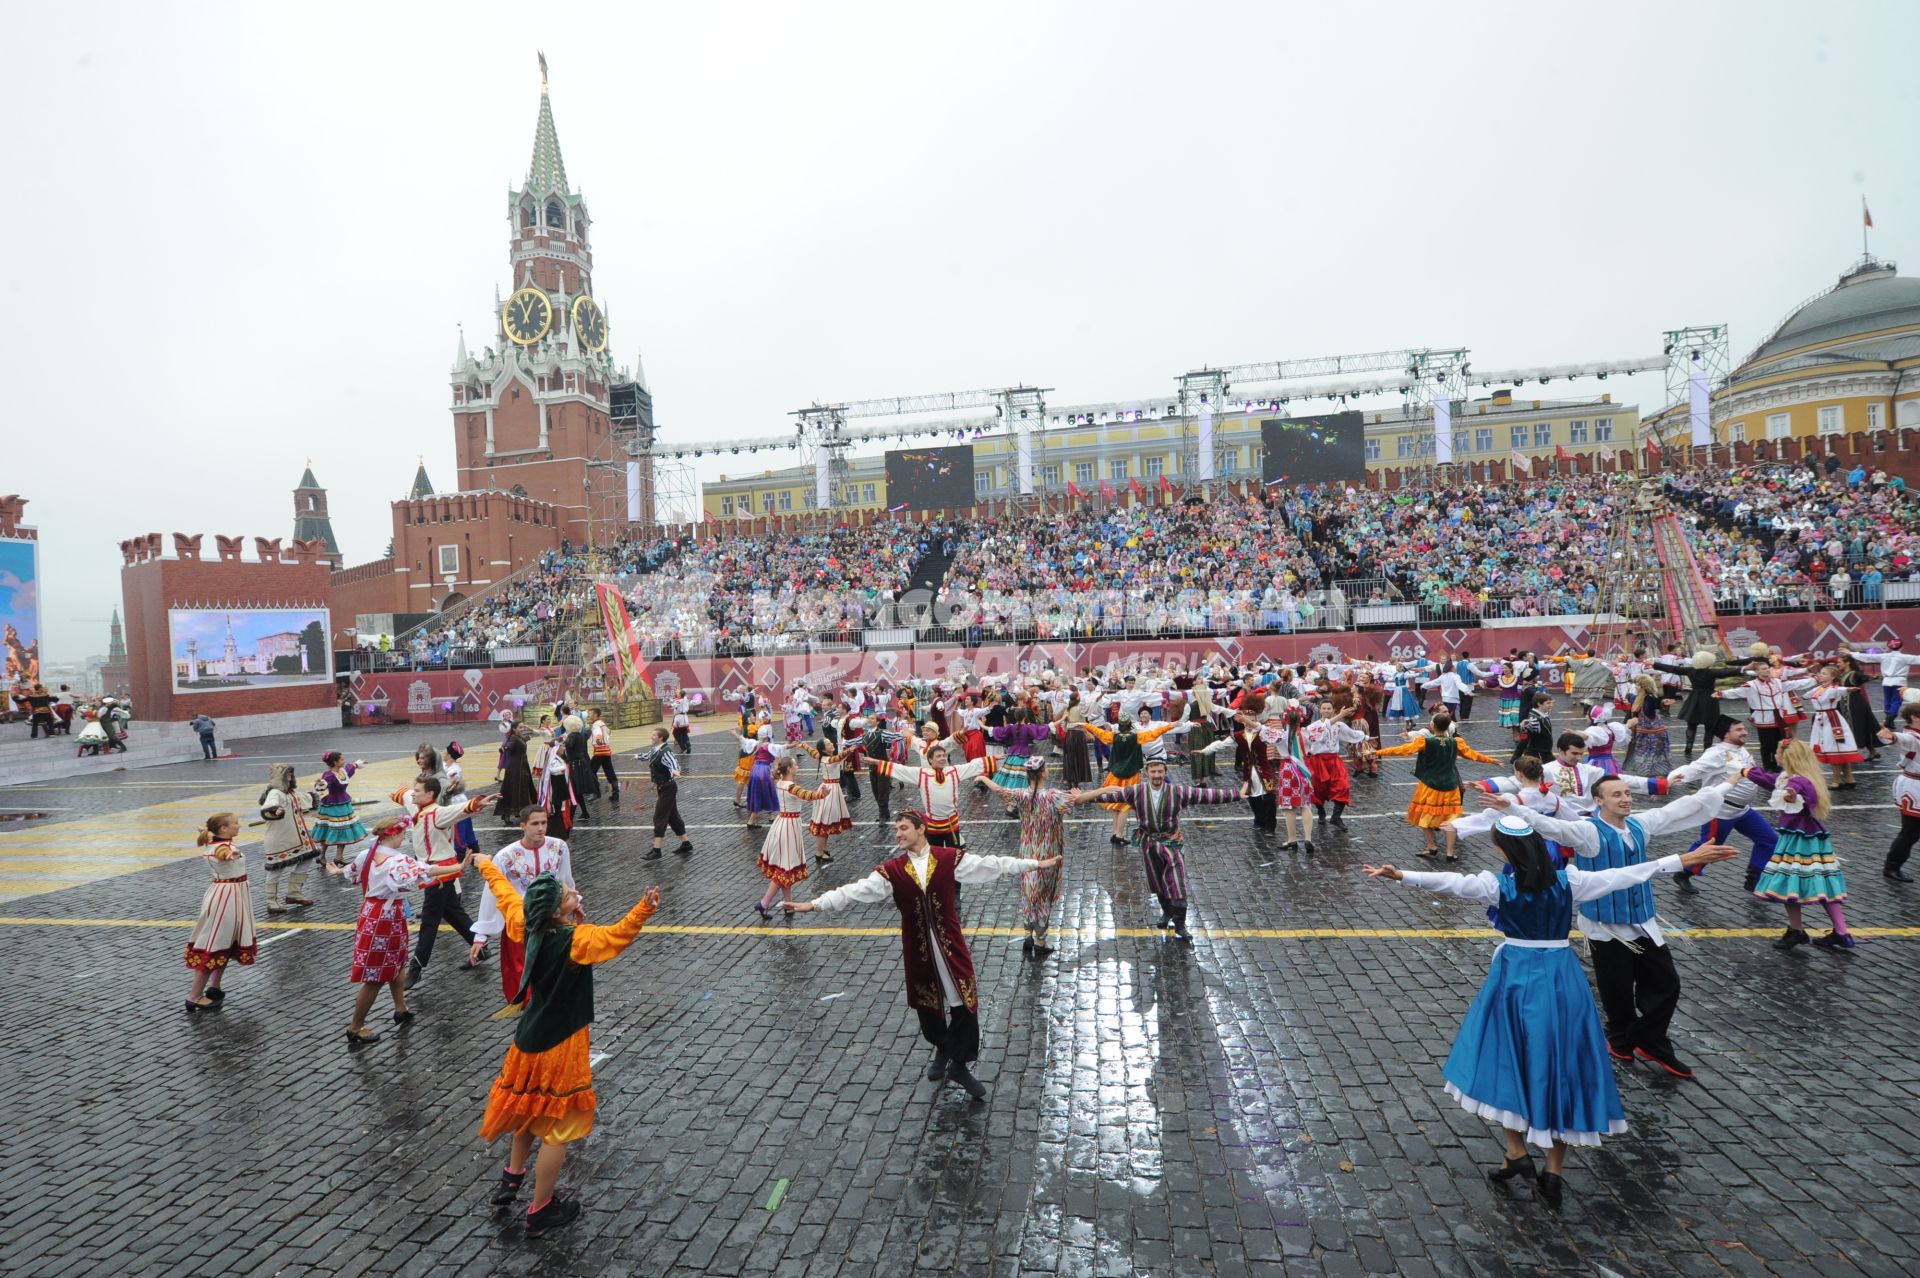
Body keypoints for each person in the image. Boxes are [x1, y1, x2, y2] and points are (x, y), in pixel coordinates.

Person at [1365, 817, 1735, 1204]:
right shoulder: (1570, 882)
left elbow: (1451, 884)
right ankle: (1551, 1173)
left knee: (1505, 1057)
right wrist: (1684, 857)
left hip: (1514, 979)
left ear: (1504, 852)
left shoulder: (1498, 885)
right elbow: (1627, 874)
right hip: (1562, 979)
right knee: (1563, 1065)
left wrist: (1400, 875)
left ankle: (1517, 1153)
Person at [785, 811, 1061, 1100]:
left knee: (964, 1001)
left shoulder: (947, 859)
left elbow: (992, 865)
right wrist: (814, 905)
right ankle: (942, 1047)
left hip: (950, 946)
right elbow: (855, 891)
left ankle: (959, 1064)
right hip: (918, 948)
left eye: (904, 828)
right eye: (896, 830)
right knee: (927, 1005)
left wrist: (1036, 864)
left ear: (921, 829)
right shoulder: (892, 870)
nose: (898, 834)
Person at [1473, 774, 1734, 1078]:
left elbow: (1683, 807)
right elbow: (1552, 827)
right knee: (1617, 990)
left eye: (1626, 793)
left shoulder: (1640, 825)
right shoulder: (1588, 832)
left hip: (1642, 919)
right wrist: (1511, 808)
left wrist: (1730, 782)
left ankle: (1650, 1040)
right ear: (1599, 801)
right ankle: (1621, 1040)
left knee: (1667, 983)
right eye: (1616, 795)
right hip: (1604, 924)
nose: (1625, 799)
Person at [475, 860, 661, 1236]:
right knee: (557, 1129)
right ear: (557, 909)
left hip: (528, 1038)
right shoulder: (575, 940)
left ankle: (512, 1178)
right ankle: (540, 1209)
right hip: (561, 1042)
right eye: (567, 894)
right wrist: (645, 907)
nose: (574, 892)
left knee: (528, 1109)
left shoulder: (526, 924)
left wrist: (486, 866)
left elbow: (507, 896)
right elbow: (616, 936)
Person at [1085, 760, 1245, 943]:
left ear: (1165, 772)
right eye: (1153, 772)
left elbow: (1205, 795)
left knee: (1176, 882)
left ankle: (1180, 924)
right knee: (1157, 880)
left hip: (1172, 843)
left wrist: (1236, 794)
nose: (1157, 775)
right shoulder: (1137, 791)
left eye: (1160, 771)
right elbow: (1107, 797)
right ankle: (1167, 912)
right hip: (1149, 843)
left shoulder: (1177, 791)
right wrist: (1081, 797)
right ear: (1147, 773)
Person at [340, 817, 466, 1047]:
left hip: (372, 911)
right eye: (402, 834)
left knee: (397, 962)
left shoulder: (368, 853)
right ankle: (355, 1027)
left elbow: (351, 874)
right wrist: (458, 867)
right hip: (386, 918)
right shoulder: (397, 860)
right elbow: (426, 869)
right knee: (375, 977)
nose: (404, 838)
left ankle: (401, 1008)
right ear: (393, 835)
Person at [979, 757, 1097, 959]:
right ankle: (1041, 941)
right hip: (1049, 853)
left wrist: (983, 777)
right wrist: (1103, 790)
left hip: (1027, 851)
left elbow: (999, 790)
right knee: (1044, 896)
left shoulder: (1020, 794)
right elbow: (1078, 800)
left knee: (1029, 892)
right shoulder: (1052, 796)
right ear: (1043, 773)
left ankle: (1027, 934)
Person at [386, 775, 496, 990]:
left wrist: (476, 803)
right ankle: (481, 948)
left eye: (419, 790)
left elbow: (461, 809)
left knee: (429, 921)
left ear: (430, 795)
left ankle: (416, 967)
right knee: (455, 914)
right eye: (415, 790)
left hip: (439, 876)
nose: (415, 793)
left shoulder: (438, 813)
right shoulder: (416, 802)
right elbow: (404, 794)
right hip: (434, 874)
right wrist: (397, 794)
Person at [1746, 740, 1853, 951]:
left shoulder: (1798, 782)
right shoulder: (1797, 778)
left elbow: (1795, 794)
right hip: (1812, 838)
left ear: (1786, 756)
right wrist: (1744, 770)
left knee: (1789, 881)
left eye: (1778, 752)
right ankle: (1841, 932)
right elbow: (1770, 780)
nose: (1775, 755)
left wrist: (1792, 796)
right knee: (1822, 883)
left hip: (1798, 839)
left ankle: (1796, 930)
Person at [473, 806, 577, 1005]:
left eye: (544, 823)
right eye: (535, 823)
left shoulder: (560, 847)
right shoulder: (505, 856)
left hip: (551, 923)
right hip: (521, 925)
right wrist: (481, 935)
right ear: (523, 826)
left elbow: (566, 880)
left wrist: (574, 903)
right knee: (522, 976)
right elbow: (492, 894)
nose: (541, 828)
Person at [1665, 721, 1775, 893]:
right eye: (1739, 730)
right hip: (1721, 812)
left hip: (1743, 810)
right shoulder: (1717, 753)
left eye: (1744, 728)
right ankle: (1683, 873)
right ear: (1726, 734)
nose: (1745, 732)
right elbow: (1694, 768)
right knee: (1709, 847)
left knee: (1770, 840)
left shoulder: (1741, 749)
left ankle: (1754, 879)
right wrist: (1667, 782)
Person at [1375, 714, 1500, 862]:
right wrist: (1492, 761)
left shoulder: (1425, 742)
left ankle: (1431, 846)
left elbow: (1402, 750)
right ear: (1448, 727)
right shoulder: (1456, 742)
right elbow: (1473, 755)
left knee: (1425, 816)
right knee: (1451, 820)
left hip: (1430, 786)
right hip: (1451, 786)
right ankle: (1450, 852)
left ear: (1432, 726)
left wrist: (1377, 752)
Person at [184, 813, 258, 1012]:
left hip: (231, 895)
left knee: (225, 942)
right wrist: (230, 855)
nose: (238, 826)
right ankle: (194, 996)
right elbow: (223, 853)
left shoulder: (216, 841)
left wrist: (205, 833)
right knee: (214, 943)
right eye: (234, 824)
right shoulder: (224, 848)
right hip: (227, 898)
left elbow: (214, 842)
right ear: (223, 829)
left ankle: (214, 987)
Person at [754, 755, 825, 918]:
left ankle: (788, 905)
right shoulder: (791, 786)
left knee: (786, 866)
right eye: (795, 765)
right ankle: (764, 903)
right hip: (789, 827)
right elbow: (806, 795)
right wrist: (821, 794)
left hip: (782, 823)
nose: (797, 767)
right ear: (789, 769)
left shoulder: (780, 783)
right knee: (785, 870)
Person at [1652, 650, 1746, 755]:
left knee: (1691, 724)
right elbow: (1725, 672)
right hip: (1709, 699)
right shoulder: (1710, 672)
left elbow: (1673, 669)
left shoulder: (1691, 670)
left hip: (1694, 698)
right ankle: (1707, 749)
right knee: (1709, 725)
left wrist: (1654, 664)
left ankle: (1688, 746)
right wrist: (1743, 669)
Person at [259, 763, 319, 915]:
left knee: (306, 859)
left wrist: (319, 789)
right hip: (280, 838)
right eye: (288, 774)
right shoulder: (275, 793)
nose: (291, 777)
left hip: (298, 837)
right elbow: (269, 807)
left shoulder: (292, 793)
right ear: (281, 777)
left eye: (292, 774)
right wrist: (275, 810)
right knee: (277, 869)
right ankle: (271, 902)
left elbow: (308, 799)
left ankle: (294, 893)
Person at [1302, 702, 1368, 831]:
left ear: (1333, 710)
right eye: (1324, 708)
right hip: (1318, 761)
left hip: (1334, 760)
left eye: (1329, 708)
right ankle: (1321, 812)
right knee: (1318, 789)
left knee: (1343, 786)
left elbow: (1352, 734)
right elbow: (1307, 739)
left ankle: (1336, 817)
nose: (1326, 711)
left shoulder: (1339, 725)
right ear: (1320, 710)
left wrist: (1366, 737)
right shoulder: (1314, 726)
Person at [1801, 665, 1865, 788]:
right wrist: (1811, 680)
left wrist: (1850, 689)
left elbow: (1841, 690)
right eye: (1820, 673)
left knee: (1835, 748)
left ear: (1833, 677)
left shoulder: (1833, 689)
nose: (1821, 675)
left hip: (1831, 720)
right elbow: (1805, 696)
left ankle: (1838, 780)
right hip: (1821, 720)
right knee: (1838, 748)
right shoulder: (1819, 689)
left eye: (1824, 674)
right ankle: (1849, 779)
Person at [634, 729, 692, 860]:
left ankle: (657, 850)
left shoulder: (666, 751)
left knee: (659, 817)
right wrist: (638, 756)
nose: (651, 736)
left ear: (660, 738)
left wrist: (675, 771)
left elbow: (674, 764)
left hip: (668, 788)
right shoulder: (657, 749)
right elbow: (649, 755)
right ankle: (686, 844)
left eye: (654, 735)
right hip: (662, 787)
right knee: (673, 817)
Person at [312, 751, 371, 867]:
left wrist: (359, 763)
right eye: (342, 760)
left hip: (343, 803)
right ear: (335, 762)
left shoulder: (342, 771)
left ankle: (339, 856)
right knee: (328, 830)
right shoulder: (329, 775)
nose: (344, 761)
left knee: (343, 829)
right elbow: (323, 786)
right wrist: (320, 784)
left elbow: (351, 767)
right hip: (332, 805)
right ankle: (322, 855)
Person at [497, 727, 537, 826]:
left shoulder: (518, 737)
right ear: (514, 729)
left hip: (522, 766)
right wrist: (504, 748)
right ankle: (507, 814)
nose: (522, 728)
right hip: (515, 769)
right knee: (513, 790)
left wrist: (525, 739)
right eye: (520, 727)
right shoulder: (513, 738)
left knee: (524, 791)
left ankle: (522, 812)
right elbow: (509, 747)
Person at [585, 709, 620, 804]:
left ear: (596, 714)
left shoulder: (596, 724)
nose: (589, 715)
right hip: (606, 750)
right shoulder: (601, 723)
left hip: (600, 751)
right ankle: (615, 794)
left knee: (590, 771)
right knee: (609, 772)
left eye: (591, 713)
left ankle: (596, 792)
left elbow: (598, 735)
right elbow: (609, 732)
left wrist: (599, 740)